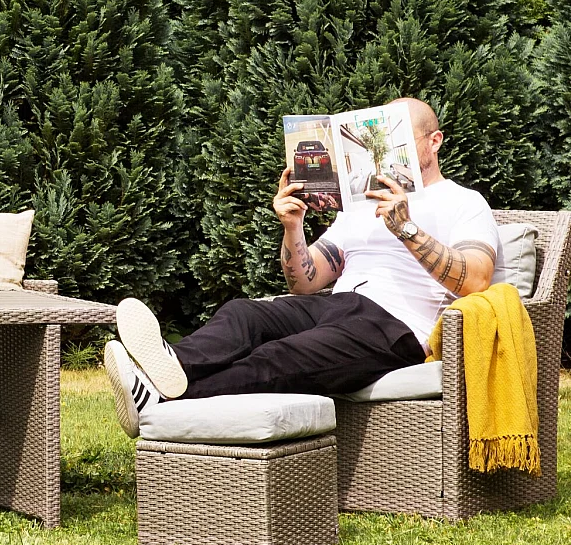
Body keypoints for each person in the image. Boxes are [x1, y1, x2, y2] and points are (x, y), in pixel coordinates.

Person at [103, 97, 502, 437]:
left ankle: (158, 400)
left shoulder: (462, 202)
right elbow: (306, 282)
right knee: (244, 313)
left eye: (399, 137)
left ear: (434, 142)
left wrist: (407, 228)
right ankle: (174, 362)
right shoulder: (360, 205)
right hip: (336, 304)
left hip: (395, 328)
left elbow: (477, 280)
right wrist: (292, 227)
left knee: (281, 357)